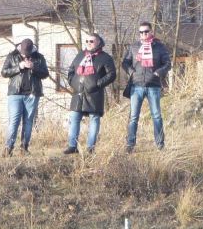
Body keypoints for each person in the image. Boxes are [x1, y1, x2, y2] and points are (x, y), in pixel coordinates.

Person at [122, 22, 171, 152]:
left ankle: (160, 145)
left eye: (146, 31)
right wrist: (131, 71)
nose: (144, 34)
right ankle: (130, 145)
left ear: (151, 31)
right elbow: (125, 62)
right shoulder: (134, 46)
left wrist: (158, 73)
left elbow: (167, 63)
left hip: (153, 86)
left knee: (156, 116)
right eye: (141, 32)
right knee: (133, 117)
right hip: (136, 86)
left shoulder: (159, 47)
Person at [63, 33, 116, 154]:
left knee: (94, 119)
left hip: (94, 94)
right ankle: (72, 146)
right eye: (87, 41)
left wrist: (97, 84)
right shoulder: (80, 55)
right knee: (74, 118)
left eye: (91, 41)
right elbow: (71, 71)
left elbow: (112, 74)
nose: (88, 43)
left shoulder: (105, 57)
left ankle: (90, 147)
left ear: (98, 42)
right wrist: (73, 83)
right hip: (78, 93)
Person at [0, 38, 49, 156]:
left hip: (32, 94)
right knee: (14, 121)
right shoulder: (12, 56)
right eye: (23, 53)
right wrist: (19, 67)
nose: (25, 55)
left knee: (28, 122)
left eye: (27, 53)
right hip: (15, 94)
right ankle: (8, 148)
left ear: (32, 50)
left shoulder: (39, 57)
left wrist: (34, 67)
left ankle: (24, 148)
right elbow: (4, 72)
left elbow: (45, 74)